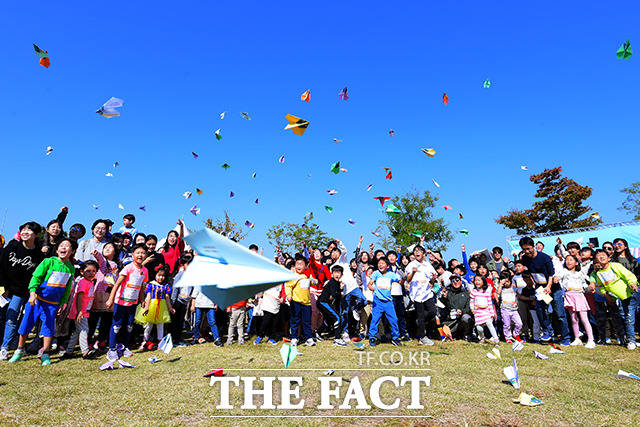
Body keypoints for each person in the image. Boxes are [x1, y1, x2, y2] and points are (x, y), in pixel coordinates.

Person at [9, 239, 76, 365]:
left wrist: (63, 302)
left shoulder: (70, 269)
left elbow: (67, 289)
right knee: (26, 324)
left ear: (72, 251)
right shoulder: (48, 262)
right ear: (57, 250)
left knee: (49, 327)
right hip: (36, 300)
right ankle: (19, 350)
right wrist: (32, 293)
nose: (63, 248)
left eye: (67, 247)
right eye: (61, 246)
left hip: (53, 304)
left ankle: (45, 353)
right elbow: (36, 277)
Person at [0, 222, 44, 360]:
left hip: (30, 291)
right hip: (12, 290)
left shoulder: (38, 253)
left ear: (36, 234)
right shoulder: (13, 246)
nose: (25, 232)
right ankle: (5, 347)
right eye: (23, 230)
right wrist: (4, 287)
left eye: (29, 230)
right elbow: (1, 266)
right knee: (10, 318)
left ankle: (19, 345)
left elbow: (40, 274)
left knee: (27, 318)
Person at [519, 236, 571, 345]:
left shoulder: (544, 258)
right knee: (540, 311)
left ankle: (566, 337)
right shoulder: (525, 259)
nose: (527, 251)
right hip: (540, 288)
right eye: (524, 249)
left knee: (559, 313)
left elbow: (551, 274)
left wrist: (548, 286)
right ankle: (548, 331)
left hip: (553, 288)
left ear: (533, 247)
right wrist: (535, 284)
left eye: (528, 248)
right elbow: (531, 272)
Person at [105, 244, 149, 360]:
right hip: (120, 302)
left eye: (143, 253)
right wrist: (110, 299)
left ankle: (123, 347)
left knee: (129, 326)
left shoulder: (145, 271)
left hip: (133, 303)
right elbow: (117, 284)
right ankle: (112, 349)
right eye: (138, 252)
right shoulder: (128, 268)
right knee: (117, 325)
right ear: (133, 255)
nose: (140, 255)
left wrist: (142, 299)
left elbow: (140, 286)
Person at [589, 249, 639, 350]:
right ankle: (630, 340)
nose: (601, 257)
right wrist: (606, 296)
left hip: (633, 293)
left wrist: (632, 283)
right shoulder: (599, 273)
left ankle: (631, 340)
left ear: (609, 258)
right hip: (623, 298)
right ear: (596, 260)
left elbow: (628, 275)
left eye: (603, 255)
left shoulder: (615, 266)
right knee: (627, 318)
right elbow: (603, 286)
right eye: (598, 256)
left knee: (629, 318)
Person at [554, 255, 595, 348]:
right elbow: (558, 276)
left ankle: (591, 339)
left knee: (584, 319)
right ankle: (577, 338)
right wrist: (556, 278)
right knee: (573, 319)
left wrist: (590, 288)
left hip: (579, 296)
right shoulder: (564, 271)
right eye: (567, 260)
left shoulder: (580, 273)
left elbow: (585, 286)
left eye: (571, 260)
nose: (568, 262)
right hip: (569, 296)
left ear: (576, 262)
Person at [64, 260, 98, 359]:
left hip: (84, 311)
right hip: (80, 312)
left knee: (78, 331)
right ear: (82, 272)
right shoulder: (83, 282)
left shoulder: (90, 282)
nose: (91, 273)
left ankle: (69, 351)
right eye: (88, 271)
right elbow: (79, 297)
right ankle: (85, 351)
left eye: (93, 271)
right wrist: (80, 312)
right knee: (84, 330)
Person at [405, 244, 438, 345]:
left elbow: (432, 279)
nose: (417, 252)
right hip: (416, 294)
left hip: (427, 292)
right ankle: (423, 337)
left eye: (419, 250)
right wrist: (413, 273)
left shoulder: (427, 265)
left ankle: (420, 321)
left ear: (424, 254)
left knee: (432, 311)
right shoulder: (411, 265)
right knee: (420, 314)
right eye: (415, 251)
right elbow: (408, 279)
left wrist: (433, 278)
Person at [136, 266, 175, 350]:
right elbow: (148, 296)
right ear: (155, 275)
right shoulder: (151, 284)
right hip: (152, 305)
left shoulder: (166, 286)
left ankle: (160, 343)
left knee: (160, 325)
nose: (161, 278)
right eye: (159, 275)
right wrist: (146, 307)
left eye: (163, 276)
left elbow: (167, 297)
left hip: (162, 306)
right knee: (148, 325)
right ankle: (144, 341)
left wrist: (170, 307)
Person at [369, 257, 402, 347]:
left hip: (388, 302)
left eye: (383, 263)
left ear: (387, 266)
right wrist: (373, 289)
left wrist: (403, 281)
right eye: (379, 263)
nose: (380, 265)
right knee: (375, 320)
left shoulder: (391, 275)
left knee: (394, 320)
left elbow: (400, 281)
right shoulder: (376, 273)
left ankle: (395, 338)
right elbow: (370, 284)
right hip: (377, 301)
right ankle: (372, 338)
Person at [285, 254, 316, 346]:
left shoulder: (307, 276)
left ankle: (308, 338)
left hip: (307, 303)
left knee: (307, 322)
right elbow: (288, 286)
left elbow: (313, 281)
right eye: (297, 264)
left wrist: (314, 281)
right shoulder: (294, 276)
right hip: (296, 302)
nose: (298, 266)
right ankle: (294, 338)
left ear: (305, 266)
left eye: (301, 264)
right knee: (295, 321)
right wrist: (289, 295)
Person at [317, 265, 347, 346]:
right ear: (332, 274)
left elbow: (335, 297)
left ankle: (317, 334)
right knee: (337, 317)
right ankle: (337, 339)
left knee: (328, 320)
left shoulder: (337, 283)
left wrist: (340, 290)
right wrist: (341, 291)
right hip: (323, 302)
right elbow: (334, 294)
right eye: (335, 272)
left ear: (342, 274)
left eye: (339, 272)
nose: (337, 274)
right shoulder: (333, 282)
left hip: (324, 303)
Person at [169, 253, 193, 346]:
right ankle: (174, 340)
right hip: (177, 302)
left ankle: (179, 338)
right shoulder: (180, 275)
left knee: (180, 322)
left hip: (184, 302)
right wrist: (172, 302)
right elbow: (175, 289)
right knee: (175, 322)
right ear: (182, 265)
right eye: (188, 264)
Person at [440, 274, 473, 340]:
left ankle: (466, 335)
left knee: (466, 317)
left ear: (461, 281)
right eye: (453, 280)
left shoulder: (466, 293)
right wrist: (444, 298)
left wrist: (462, 312)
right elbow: (445, 307)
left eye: (457, 280)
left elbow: (468, 308)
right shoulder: (447, 293)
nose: (455, 282)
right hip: (451, 321)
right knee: (443, 333)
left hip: (462, 319)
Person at [470, 275, 498, 344]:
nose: (477, 282)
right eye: (476, 280)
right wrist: (472, 309)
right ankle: (482, 338)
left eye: (479, 280)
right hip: (478, 312)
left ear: (483, 282)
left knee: (489, 323)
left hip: (486, 311)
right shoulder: (474, 292)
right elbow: (472, 301)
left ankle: (496, 339)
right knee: (479, 327)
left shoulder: (487, 292)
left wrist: (492, 313)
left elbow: (489, 303)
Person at [497, 272, 522, 343]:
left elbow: (519, 295)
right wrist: (501, 284)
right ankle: (508, 337)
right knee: (507, 324)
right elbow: (498, 293)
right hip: (505, 309)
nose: (506, 283)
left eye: (507, 281)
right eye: (504, 282)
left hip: (514, 310)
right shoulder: (501, 289)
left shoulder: (513, 288)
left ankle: (515, 335)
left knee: (519, 323)